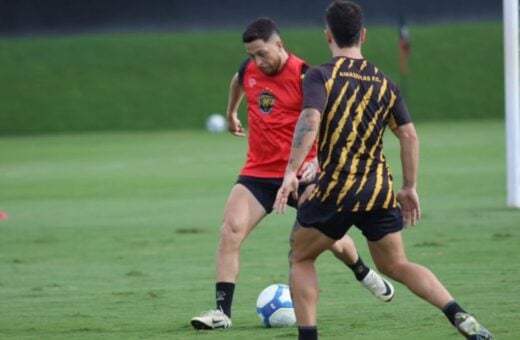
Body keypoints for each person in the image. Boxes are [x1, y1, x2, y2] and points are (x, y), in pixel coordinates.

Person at [274, 1, 493, 339]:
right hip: (378, 189)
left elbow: (311, 119)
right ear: (362, 34)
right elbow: (408, 134)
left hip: (335, 190)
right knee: (396, 265)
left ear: (327, 35)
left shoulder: (320, 75)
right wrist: (409, 187)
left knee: (300, 257)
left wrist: (291, 171)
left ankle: (309, 336)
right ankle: (459, 314)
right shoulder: (385, 82)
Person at [190, 17, 395, 331]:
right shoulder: (249, 70)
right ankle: (221, 313)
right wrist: (231, 112)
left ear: (278, 44)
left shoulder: (305, 75)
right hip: (258, 173)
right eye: (251, 54)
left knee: (332, 240)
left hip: (302, 174)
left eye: (261, 53)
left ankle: (362, 271)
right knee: (230, 231)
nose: (257, 60)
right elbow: (238, 79)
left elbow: (325, 120)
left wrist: (318, 161)